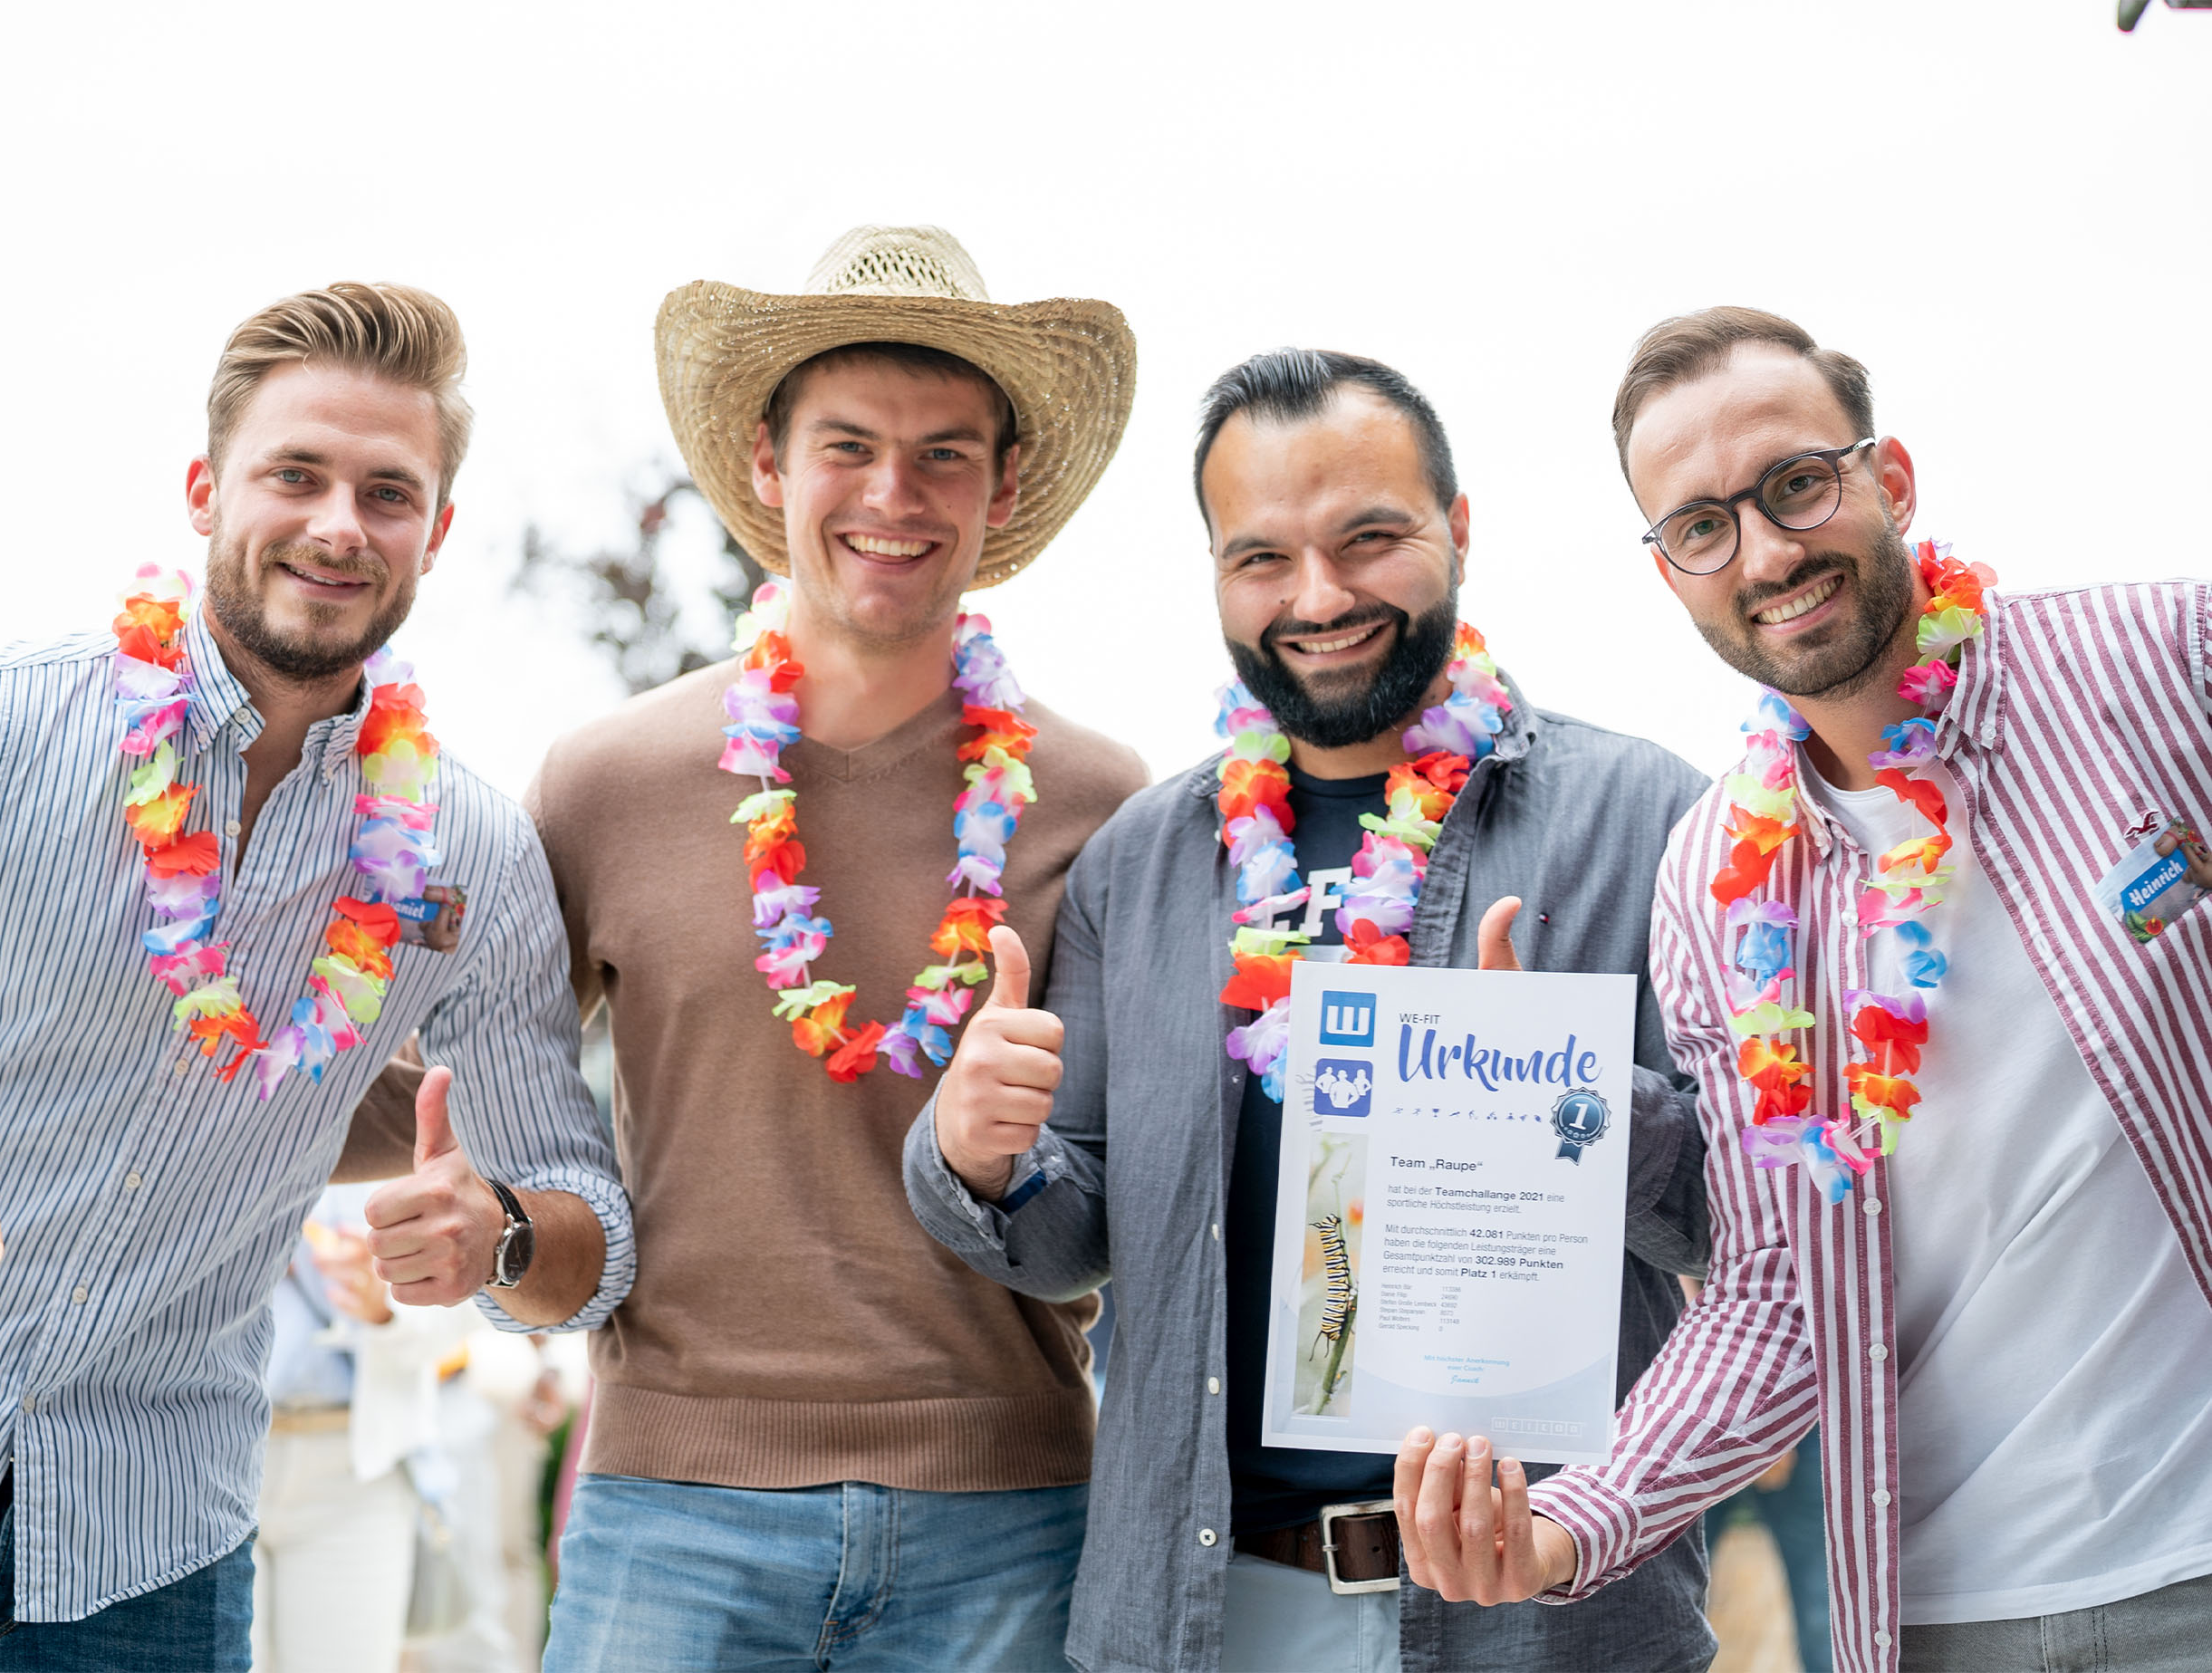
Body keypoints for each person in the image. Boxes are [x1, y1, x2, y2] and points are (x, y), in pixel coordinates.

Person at [0, 282, 625, 1671]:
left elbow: (587, 1216)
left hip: (148, 1567)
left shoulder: (474, 853)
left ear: (435, 532)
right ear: (206, 488)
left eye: (387, 492)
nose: (337, 523)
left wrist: (499, 1235)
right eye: (296, 473)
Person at [352, 226, 1147, 1669]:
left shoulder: (1100, 803)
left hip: (1009, 1515)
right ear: (770, 467)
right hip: (672, 1506)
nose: (893, 497)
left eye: (945, 454)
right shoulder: (607, 781)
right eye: (847, 445)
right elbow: (459, 1093)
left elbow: (1129, 1182)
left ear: (1004, 483)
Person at [1392, 307, 2212, 1673]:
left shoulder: (2152, 665)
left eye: (1794, 485)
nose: (1767, 554)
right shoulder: (1717, 874)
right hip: (1943, 1605)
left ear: (1887, 477)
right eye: (1703, 526)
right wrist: (1563, 1525)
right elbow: (1773, 1286)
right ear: (1670, 573)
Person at [909, 348, 1716, 1671]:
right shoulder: (1143, 860)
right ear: (1217, 574)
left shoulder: (1644, 817)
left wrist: (1566, 1105)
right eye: (1262, 556)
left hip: (1545, 1614)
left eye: (1370, 538)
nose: (1319, 596)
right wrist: (976, 1155)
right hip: (1213, 1611)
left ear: (1458, 531)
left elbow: (1744, 1220)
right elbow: (1073, 1236)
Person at [251, 1187, 473, 1673]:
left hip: (355, 1471)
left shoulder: (405, 1132)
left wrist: (385, 1308)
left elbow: (464, 1306)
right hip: (219, 1463)